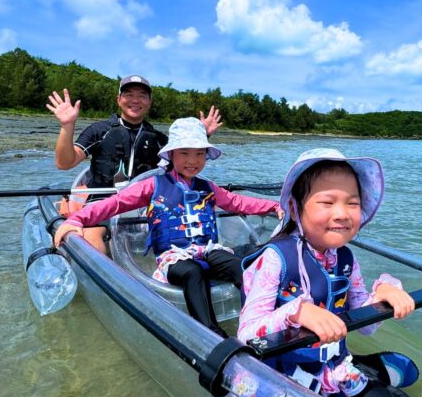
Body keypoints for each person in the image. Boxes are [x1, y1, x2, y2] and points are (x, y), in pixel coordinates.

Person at [237, 148, 422, 397]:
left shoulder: (345, 259)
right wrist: (297, 313)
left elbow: (363, 325)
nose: (342, 213)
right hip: (281, 376)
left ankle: (365, 373)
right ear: (294, 204)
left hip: (333, 369)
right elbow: (247, 334)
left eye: (352, 203)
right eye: (327, 202)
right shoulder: (276, 259)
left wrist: (384, 294)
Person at [53, 117, 283, 337]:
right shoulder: (152, 185)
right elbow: (115, 204)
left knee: (240, 267)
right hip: (174, 258)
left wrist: (273, 206)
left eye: (199, 154)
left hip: (209, 250)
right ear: (171, 154)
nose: (192, 160)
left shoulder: (208, 187)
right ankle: (212, 334)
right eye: (184, 153)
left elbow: (238, 202)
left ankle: (260, 321)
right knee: (193, 272)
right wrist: (77, 219)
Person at [46, 75, 221, 251]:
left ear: (149, 102)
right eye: (129, 94)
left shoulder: (159, 139)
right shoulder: (98, 131)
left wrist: (200, 137)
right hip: (101, 202)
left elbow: (186, 165)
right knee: (92, 237)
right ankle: (106, 274)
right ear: (119, 100)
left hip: (144, 205)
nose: (135, 100)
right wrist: (67, 126)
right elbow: (64, 163)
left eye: (142, 96)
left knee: (179, 229)